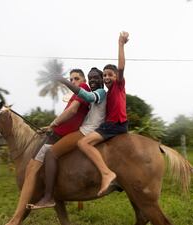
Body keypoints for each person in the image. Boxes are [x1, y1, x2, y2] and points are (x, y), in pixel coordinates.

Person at [5, 69, 90, 225]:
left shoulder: (83, 88)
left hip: (58, 136)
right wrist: (49, 127)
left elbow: (72, 111)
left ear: (83, 79)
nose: (73, 81)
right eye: (71, 79)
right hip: (55, 133)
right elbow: (67, 117)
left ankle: (17, 219)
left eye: (76, 78)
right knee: (33, 168)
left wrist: (53, 124)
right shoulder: (74, 94)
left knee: (31, 169)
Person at [27, 67, 106, 209]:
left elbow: (83, 101)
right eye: (91, 78)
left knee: (50, 153)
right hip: (86, 129)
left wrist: (62, 80)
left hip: (87, 131)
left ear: (101, 79)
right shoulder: (94, 92)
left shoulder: (99, 93)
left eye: (96, 77)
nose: (93, 80)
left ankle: (48, 197)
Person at [77, 31, 129, 196]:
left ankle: (107, 173)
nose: (107, 77)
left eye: (110, 75)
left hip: (114, 125)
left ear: (116, 76)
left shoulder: (118, 85)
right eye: (105, 75)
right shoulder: (108, 93)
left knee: (83, 143)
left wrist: (120, 44)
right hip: (114, 124)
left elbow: (121, 67)